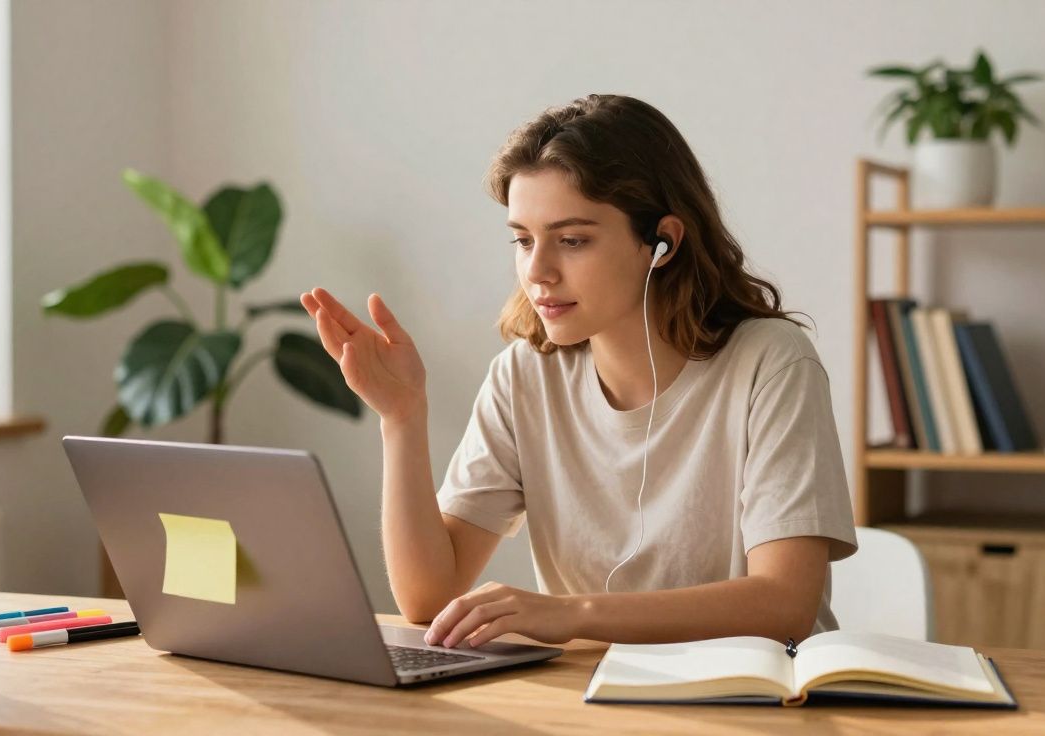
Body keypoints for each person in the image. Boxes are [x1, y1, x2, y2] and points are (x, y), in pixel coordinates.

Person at [300, 94, 856, 651]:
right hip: (592, 698)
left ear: (662, 243)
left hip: (760, 704)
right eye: (522, 240)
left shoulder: (772, 363)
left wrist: (573, 614)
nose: (537, 271)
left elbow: (785, 604)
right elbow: (427, 598)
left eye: (572, 240)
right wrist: (401, 418)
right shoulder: (523, 377)